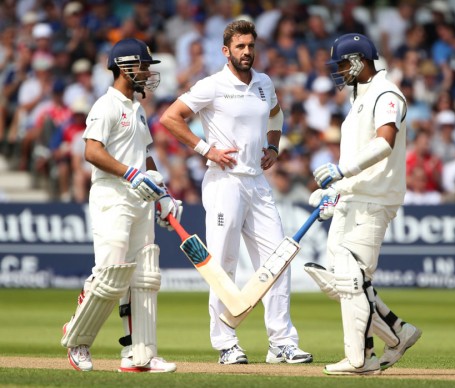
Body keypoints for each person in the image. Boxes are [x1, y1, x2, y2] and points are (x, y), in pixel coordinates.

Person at [160, 20, 312, 365]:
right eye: (240, 47)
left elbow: (276, 113)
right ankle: (226, 342)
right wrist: (206, 149)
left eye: (250, 46)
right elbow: (171, 118)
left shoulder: (264, 83)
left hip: (257, 182)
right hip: (224, 181)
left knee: (277, 261)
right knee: (223, 264)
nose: (247, 52)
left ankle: (281, 343)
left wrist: (273, 145)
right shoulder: (212, 85)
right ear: (226, 51)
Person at [60, 38, 182, 373]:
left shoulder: (137, 109)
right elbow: (92, 152)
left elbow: (145, 157)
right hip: (113, 197)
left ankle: (139, 355)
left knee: (144, 277)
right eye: (143, 66)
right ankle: (77, 339)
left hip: (140, 199)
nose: (147, 72)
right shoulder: (106, 105)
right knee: (111, 274)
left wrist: (163, 194)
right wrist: (131, 174)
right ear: (125, 66)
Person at [304, 33, 422, 375]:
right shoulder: (361, 97)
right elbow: (358, 151)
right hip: (352, 196)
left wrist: (342, 171)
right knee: (341, 282)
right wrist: (336, 190)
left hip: (375, 197)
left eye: (343, 64)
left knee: (352, 279)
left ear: (359, 60)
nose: (340, 71)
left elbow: (385, 143)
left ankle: (359, 359)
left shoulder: (387, 93)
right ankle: (397, 333)